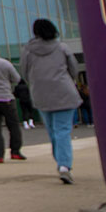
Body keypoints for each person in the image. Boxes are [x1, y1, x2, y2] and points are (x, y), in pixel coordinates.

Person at [21, 19, 83, 184]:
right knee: (63, 130)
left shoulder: (28, 50)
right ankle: (64, 166)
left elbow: (24, 72)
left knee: (53, 132)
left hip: (41, 94)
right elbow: (74, 69)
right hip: (64, 92)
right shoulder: (62, 47)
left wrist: (36, 83)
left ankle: (61, 162)